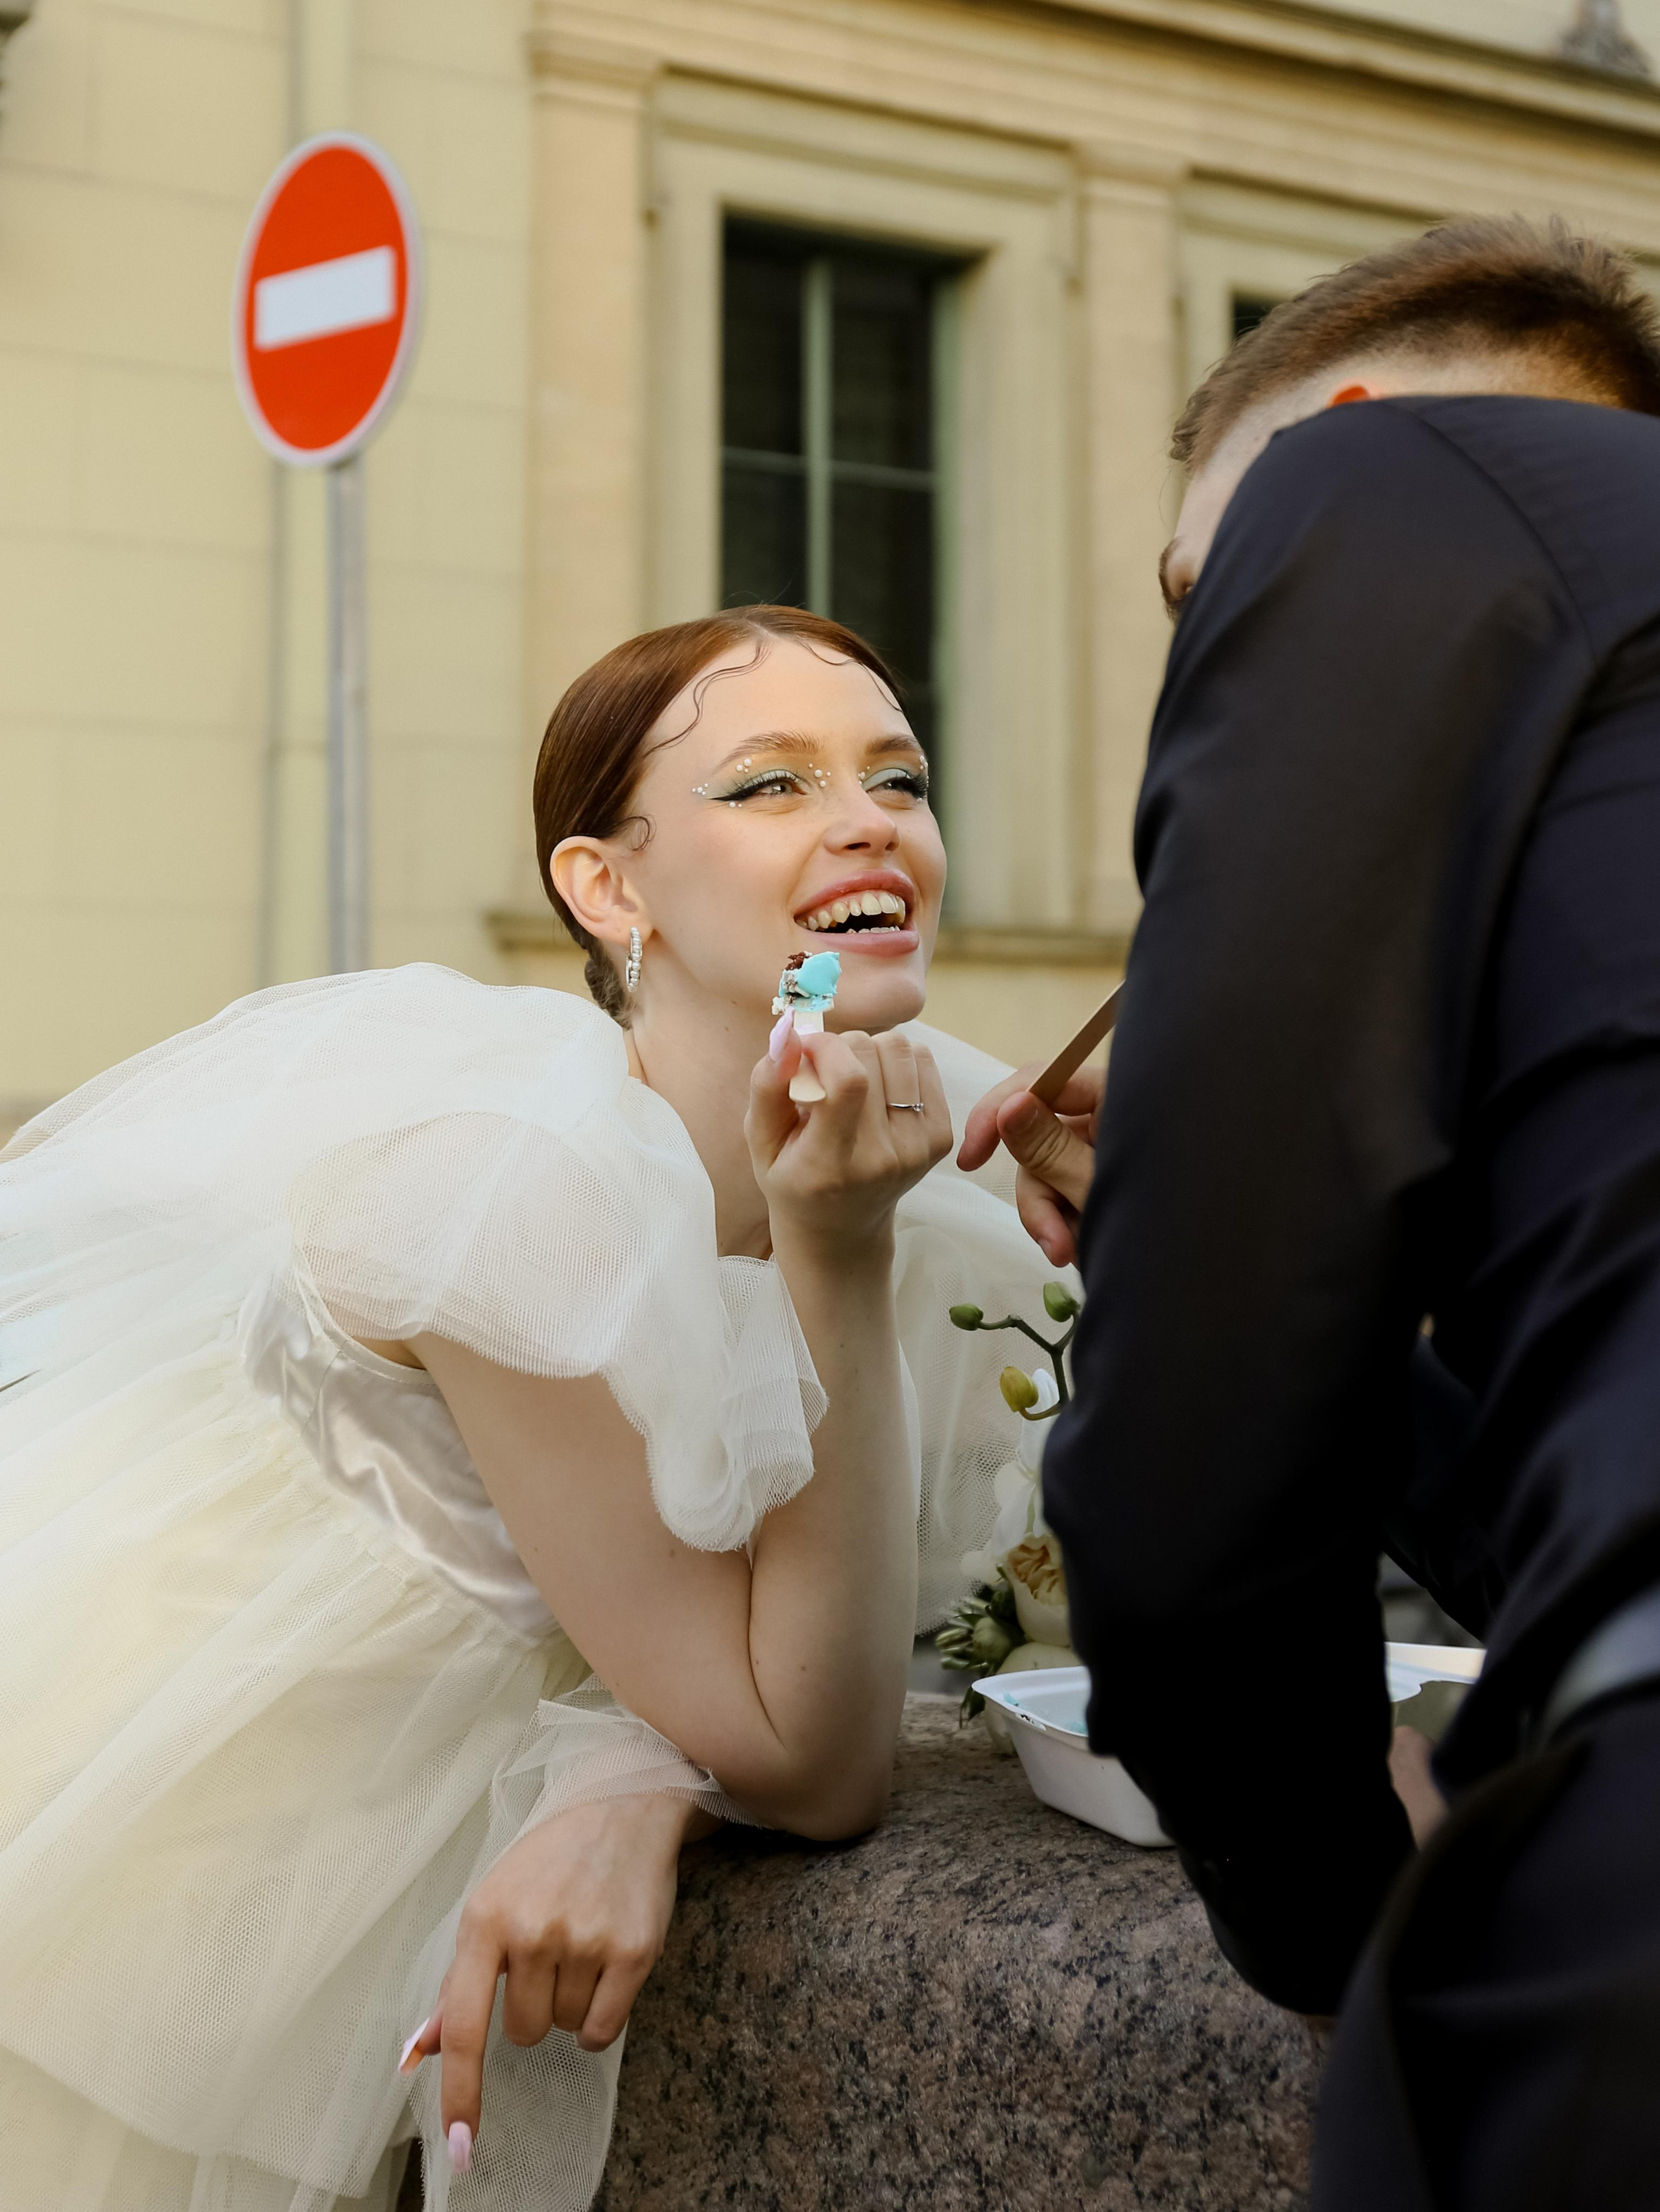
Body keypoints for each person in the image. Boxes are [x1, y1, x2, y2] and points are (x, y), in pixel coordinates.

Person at [0, 606, 1058, 2212]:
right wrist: (833, 1259)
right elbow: (812, 1759)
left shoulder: (916, 1127)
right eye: (770, 782)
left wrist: (630, 1770)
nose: (867, 821)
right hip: (191, 1841)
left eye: (897, 777)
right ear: (607, 887)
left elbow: (805, 1638)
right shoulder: (508, 1183)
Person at [964, 216, 1660, 2207]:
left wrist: (1352, 1939)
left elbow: (1194, 1479)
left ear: (1336, 431)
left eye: (1199, 598)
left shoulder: (1370, 484)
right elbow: (1582, 1473)